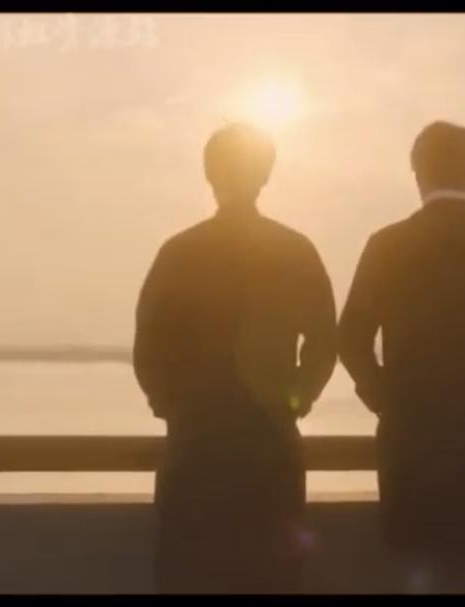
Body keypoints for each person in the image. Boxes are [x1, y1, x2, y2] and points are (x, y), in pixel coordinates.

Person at [338, 121, 465, 594]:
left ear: (417, 174)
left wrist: (384, 396)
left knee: (418, 568)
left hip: (408, 442)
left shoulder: (386, 246)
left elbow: (350, 337)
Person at [133, 122, 338, 593]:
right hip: (271, 450)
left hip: (194, 452)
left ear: (209, 174)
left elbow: (147, 349)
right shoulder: (295, 251)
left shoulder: (179, 253)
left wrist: (174, 408)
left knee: (190, 577)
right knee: (273, 578)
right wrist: (291, 402)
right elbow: (325, 342)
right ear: (265, 174)